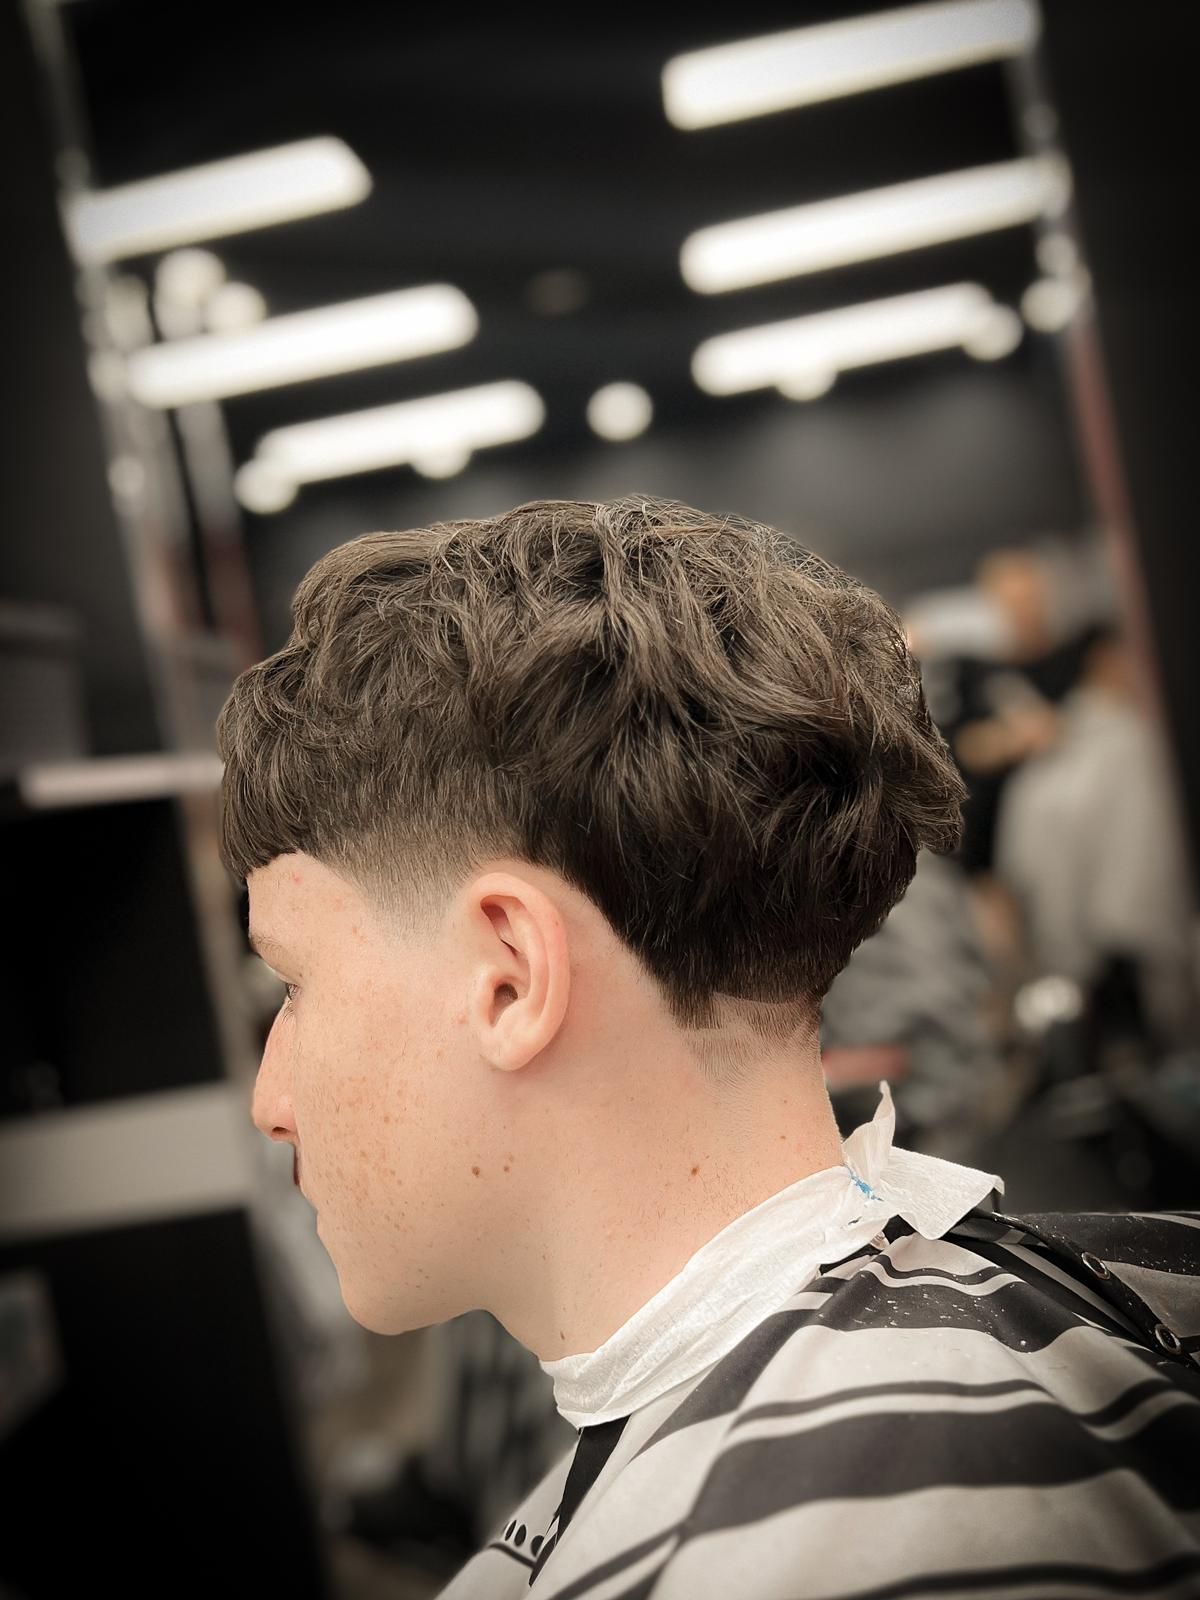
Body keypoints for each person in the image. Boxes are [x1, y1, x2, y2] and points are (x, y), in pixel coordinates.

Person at [217, 497, 1200, 1599]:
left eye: (293, 986)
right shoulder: (1135, 1294)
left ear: (509, 975)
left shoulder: (790, 1565)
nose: (270, 1098)